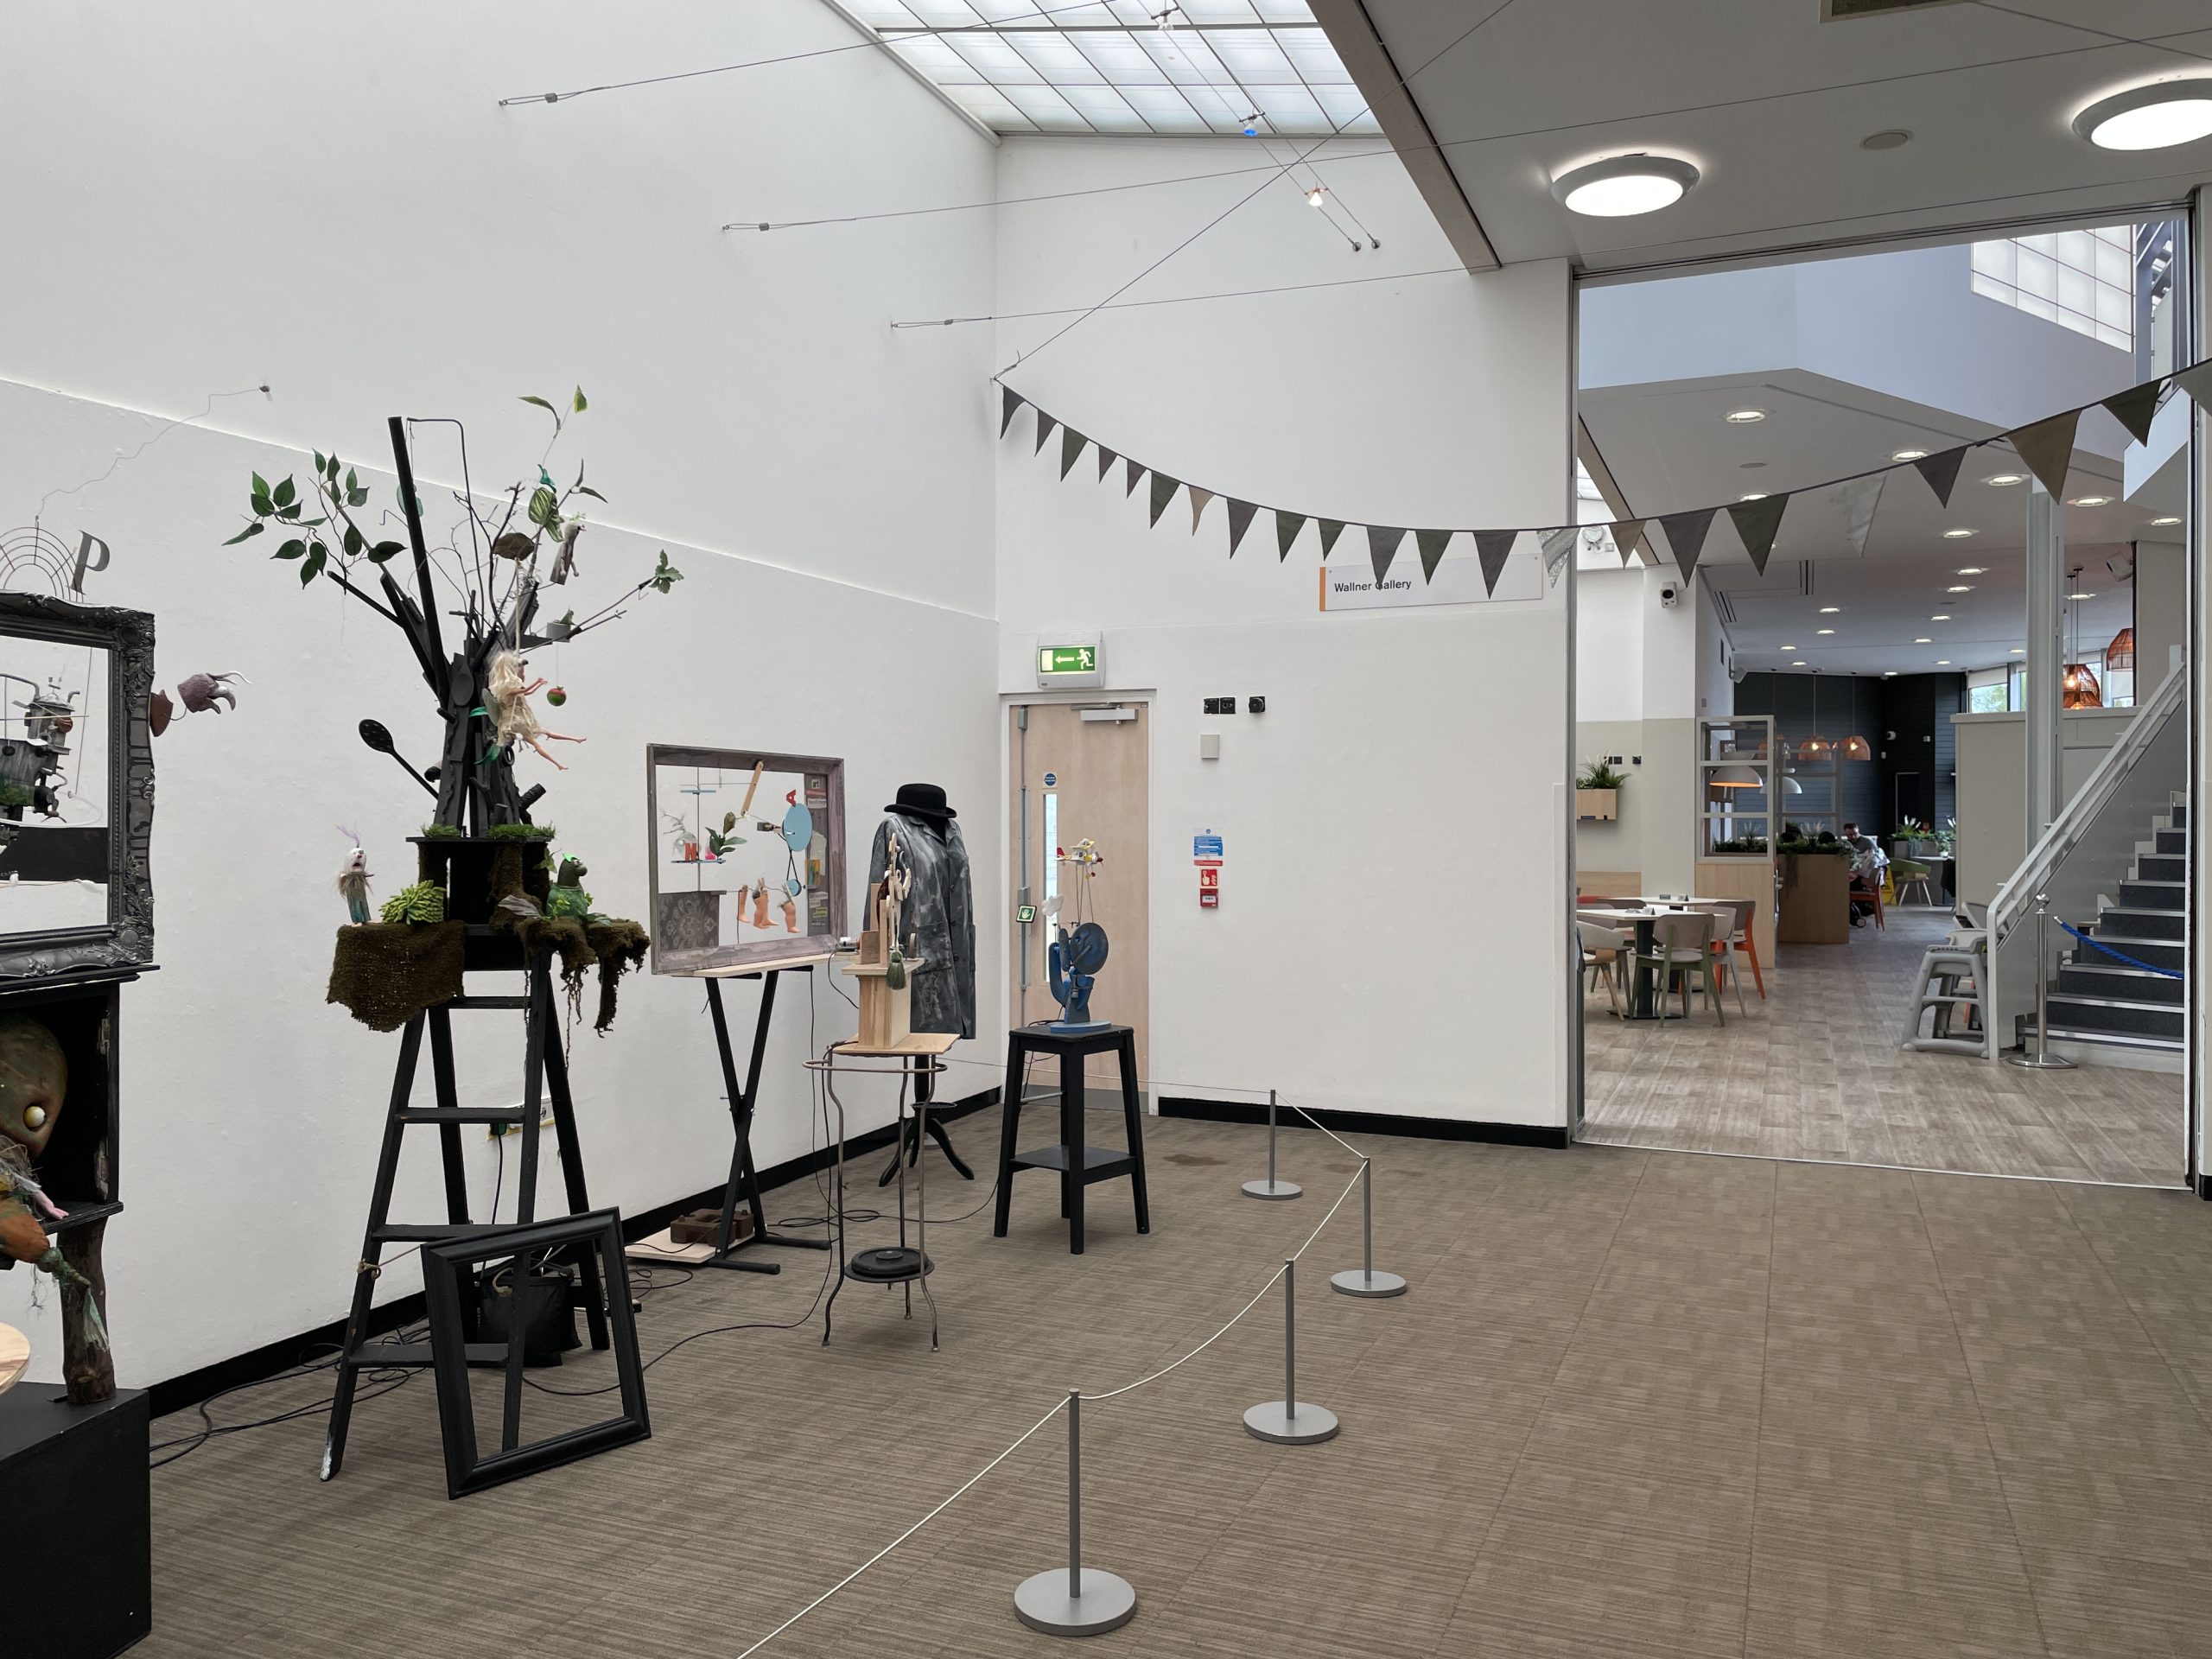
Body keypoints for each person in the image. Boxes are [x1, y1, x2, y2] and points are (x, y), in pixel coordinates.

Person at [1842, 822, 1886, 926]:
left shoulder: (1868, 842)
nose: (1852, 836)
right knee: (1846, 885)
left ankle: (1855, 914)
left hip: (1866, 876)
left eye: (1855, 834)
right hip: (1857, 874)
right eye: (1849, 835)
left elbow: (1874, 861)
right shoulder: (1846, 844)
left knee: (1846, 887)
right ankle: (1858, 912)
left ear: (1858, 831)